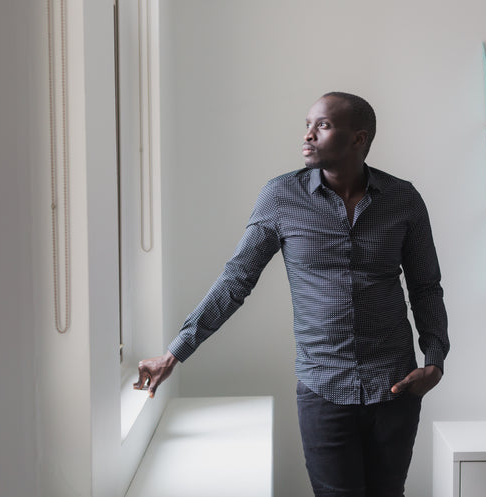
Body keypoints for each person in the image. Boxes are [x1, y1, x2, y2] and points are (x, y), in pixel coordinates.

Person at [134, 92, 449, 497]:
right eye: (308, 125)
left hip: (394, 385)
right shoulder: (281, 197)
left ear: (359, 138)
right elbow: (236, 280)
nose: (308, 135)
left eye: (323, 125)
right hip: (323, 388)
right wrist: (174, 353)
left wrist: (435, 360)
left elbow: (426, 286)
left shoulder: (403, 199)